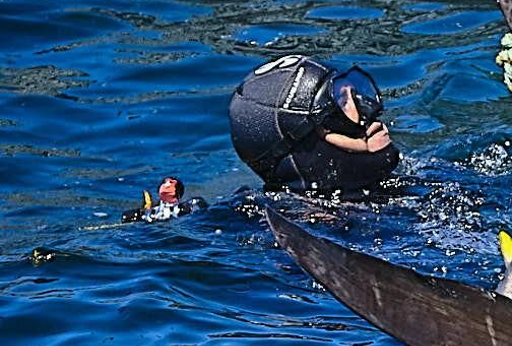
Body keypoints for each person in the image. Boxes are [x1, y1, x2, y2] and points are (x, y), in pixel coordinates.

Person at [228, 56, 400, 196]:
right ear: (306, 139)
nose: (367, 109)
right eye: (342, 102)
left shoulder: (387, 194)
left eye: (356, 92)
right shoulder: (304, 233)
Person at [122, 174, 202, 223]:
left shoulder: (185, 207)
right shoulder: (151, 211)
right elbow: (126, 217)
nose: (166, 185)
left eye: (171, 182)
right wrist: (143, 210)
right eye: (164, 183)